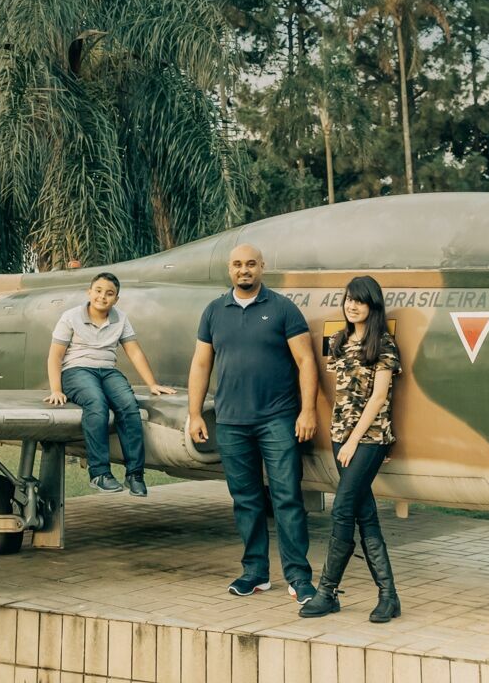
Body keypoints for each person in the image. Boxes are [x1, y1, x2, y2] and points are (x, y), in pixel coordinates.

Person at [187, 243, 321, 604]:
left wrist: (307, 411)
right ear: (229, 270)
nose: (243, 270)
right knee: (245, 500)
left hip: (277, 419)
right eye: (237, 265)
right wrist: (195, 413)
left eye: (250, 264)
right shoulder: (214, 311)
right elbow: (201, 364)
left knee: (287, 498)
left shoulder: (282, 308)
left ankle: (298, 577)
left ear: (262, 266)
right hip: (231, 422)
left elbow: (306, 362)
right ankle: (255, 573)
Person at [299, 275, 402, 622]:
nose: (352, 305)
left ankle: (326, 591)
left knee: (343, 510)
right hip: (341, 435)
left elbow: (378, 398)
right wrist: (342, 437)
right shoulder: (339, 340)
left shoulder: (384, 345)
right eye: (348, 299)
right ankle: (389, 597)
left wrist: (354, 440)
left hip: (370, 438)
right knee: (364, 514)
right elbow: (342, 392)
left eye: (359, 300)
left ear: (372, 306)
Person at [45, 271, 175, 495]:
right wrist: (56, 389)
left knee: (129, 406)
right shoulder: (70, 317)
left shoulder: (120, 318)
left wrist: (152, 384)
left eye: (109, 294)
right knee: (97, 404)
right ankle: (99, 473)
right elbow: (55, 355)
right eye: (98, 291)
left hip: (107, 371)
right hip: (76, 371)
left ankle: (135, 475)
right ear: (89, 292)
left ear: (116, 299)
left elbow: (134, 352)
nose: (102, 297)